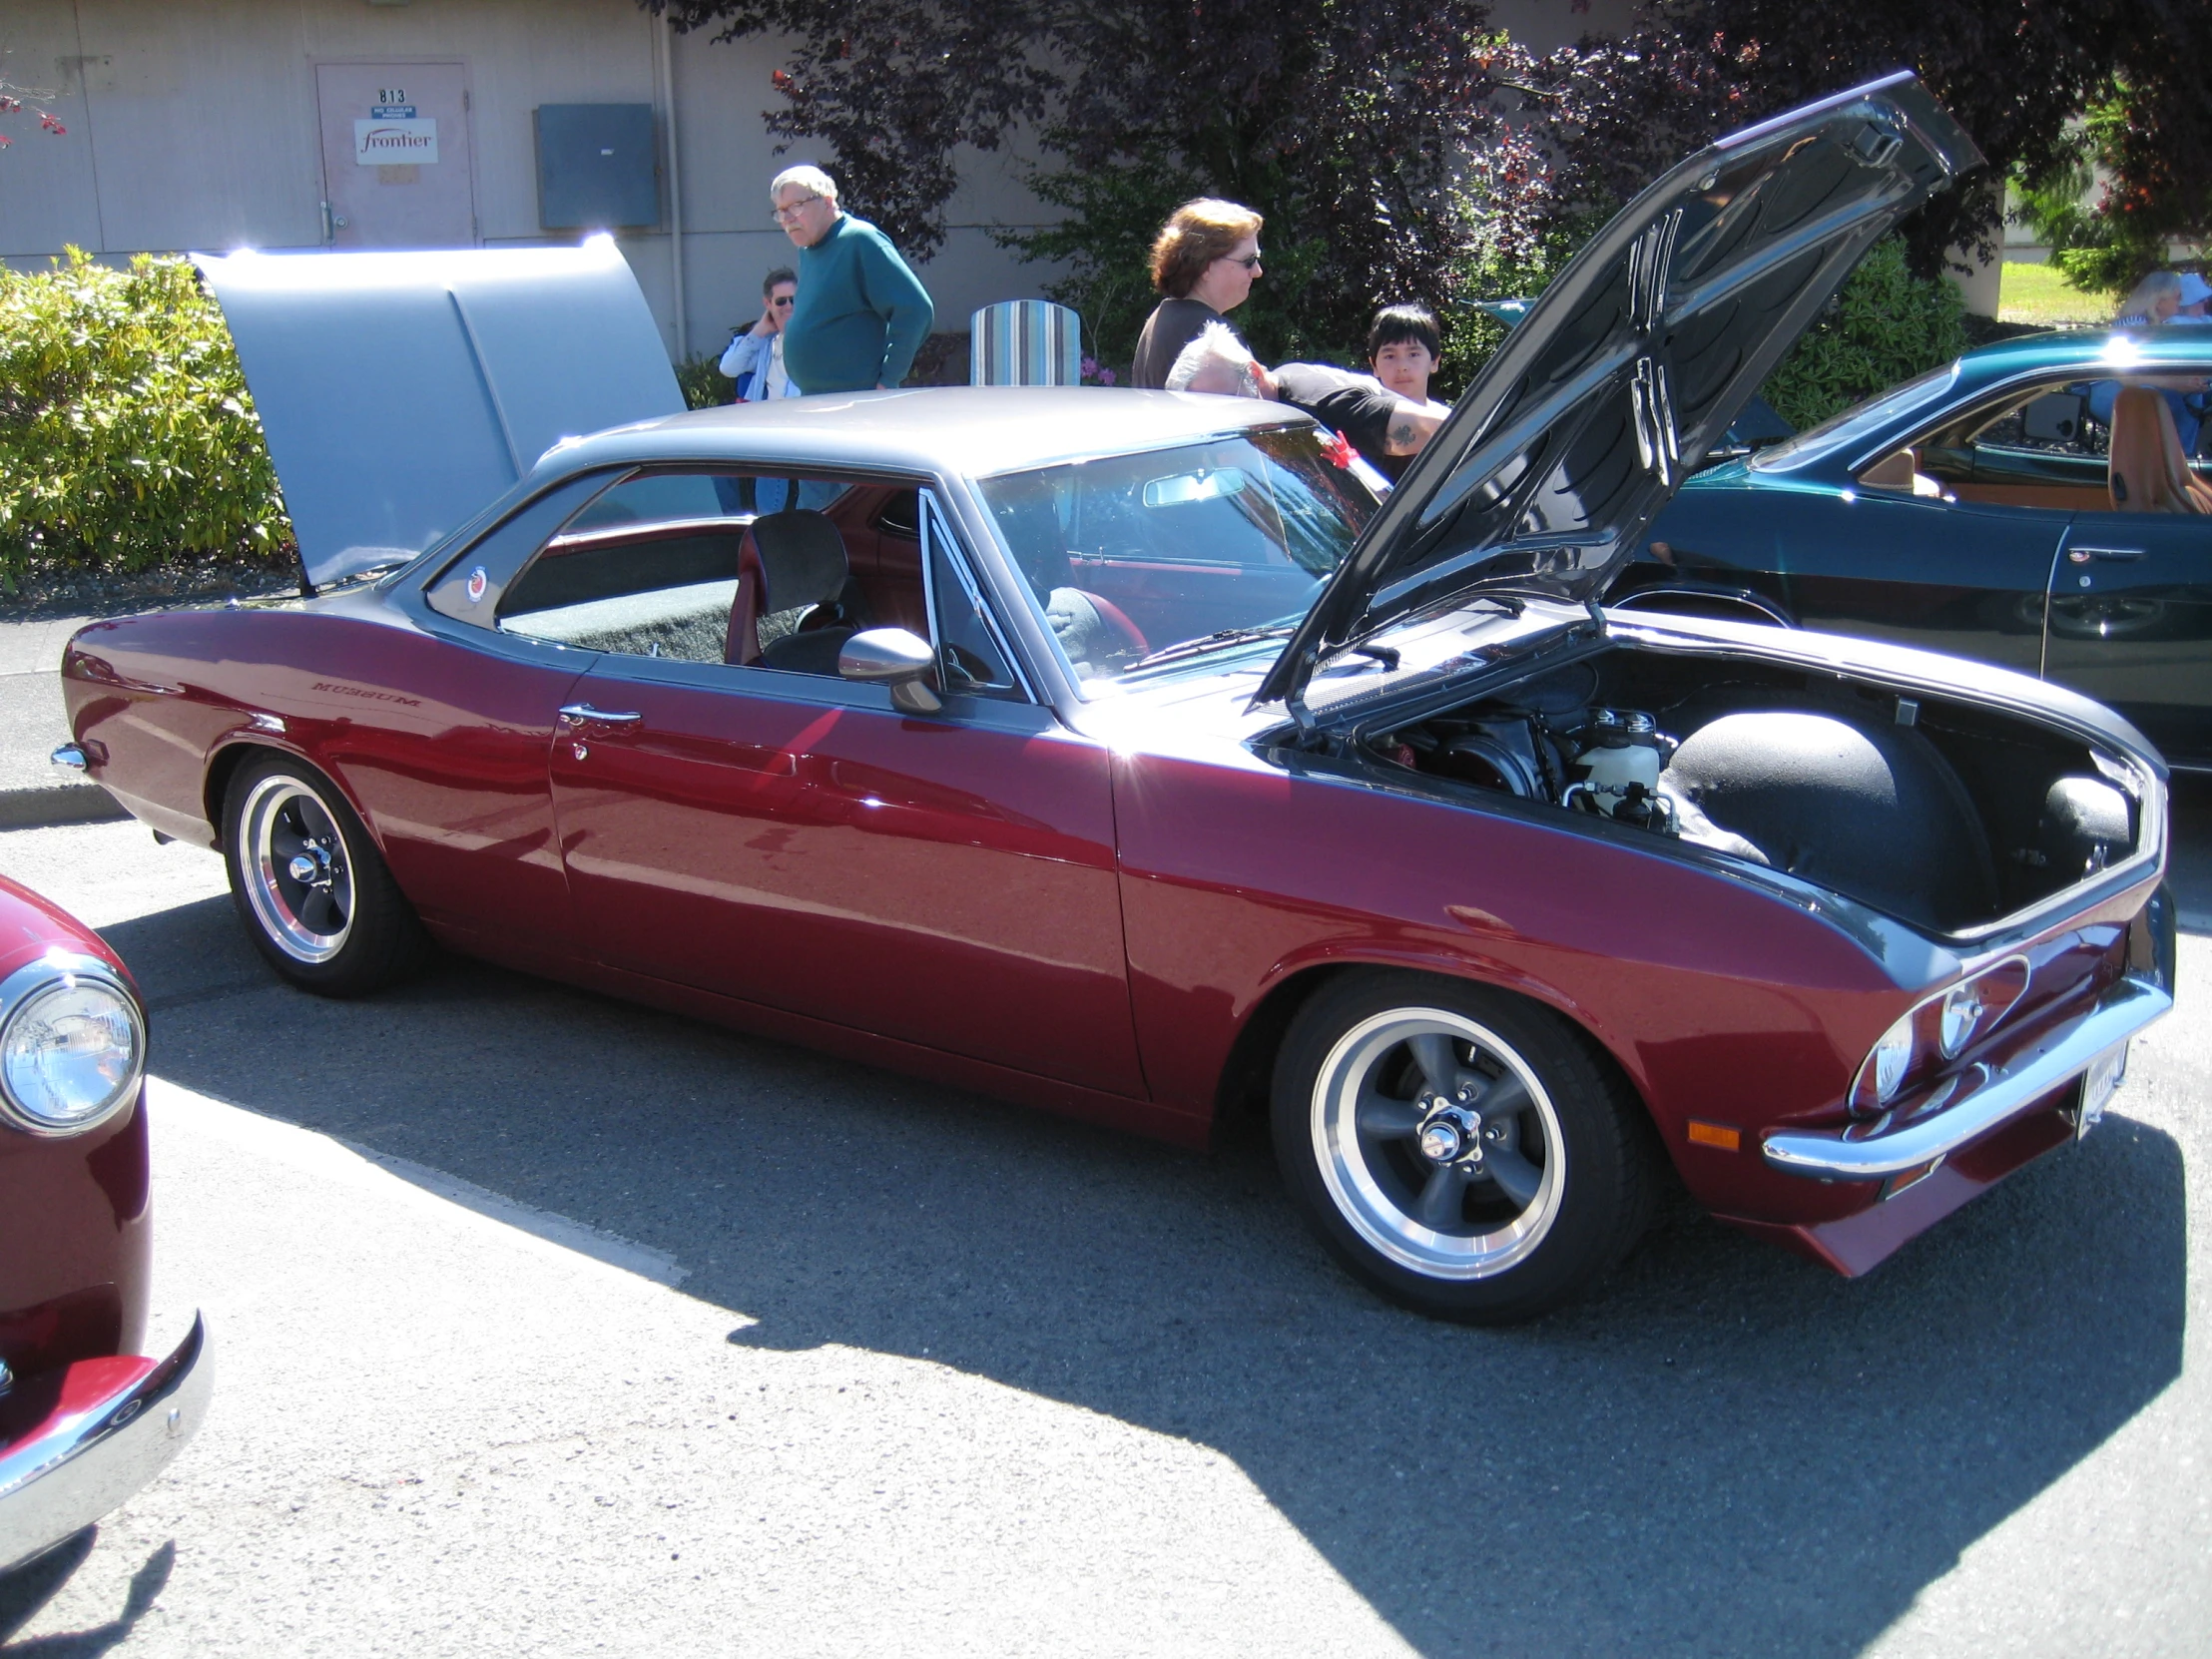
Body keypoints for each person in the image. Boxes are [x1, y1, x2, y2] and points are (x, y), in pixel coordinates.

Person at [1165, 321, 1449, 483]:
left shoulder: (1322, 406)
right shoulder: (1281, 387)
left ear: (1253, 372)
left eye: (1225, 403)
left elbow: (1444, 431)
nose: (1223, 420)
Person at [769, 165, 934, 394]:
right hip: (815, 399)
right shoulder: (808, 250)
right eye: (780, 211)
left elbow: (915, 309)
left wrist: (888, 381)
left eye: (796, 207)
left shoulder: (860, 240)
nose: (786, 219)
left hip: (854, 402)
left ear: (827, 202)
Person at [1130, 199, 1264, 389]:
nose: (1258, 272)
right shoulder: (1212, 337)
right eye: (1249, 260)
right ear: (1205, 266)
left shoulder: (1164, 317)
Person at [719, 268, 801, 401]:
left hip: (803, 418)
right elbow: (728, 368)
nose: (788, 306)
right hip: (771, 419)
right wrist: (760, 329)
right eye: (781, 301)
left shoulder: (812, 338)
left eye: (793, 299)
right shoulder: (765, 345)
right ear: (768, 303)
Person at [1368, 303, 1442, 406]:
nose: (1402, 367)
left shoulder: (1450, 420)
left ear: (1434, 362)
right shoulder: (1358, 421)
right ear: (1374, 365)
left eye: (1413, 354)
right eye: (1390, 356)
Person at [2112, 271, 2183, 327]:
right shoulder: (2133, 324)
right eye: (2178, 297)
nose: (2181, 300)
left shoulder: (2164, 323)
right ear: (2159, 302)